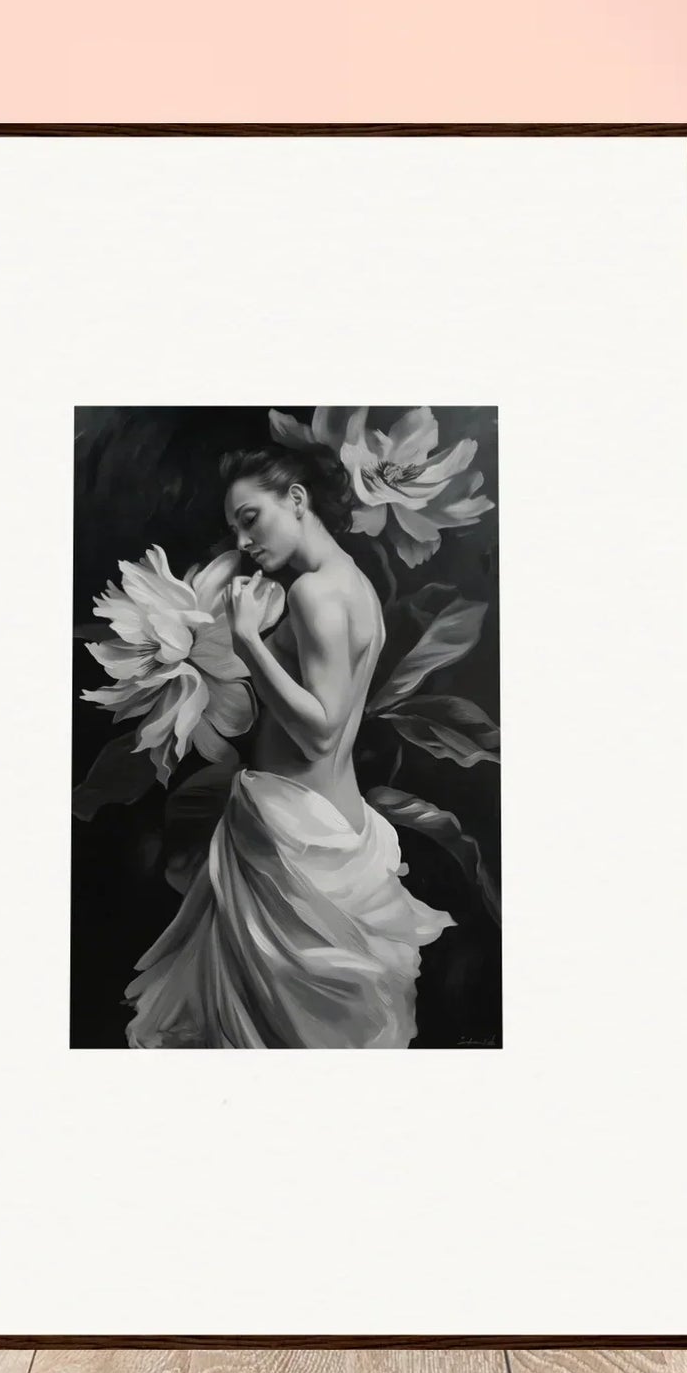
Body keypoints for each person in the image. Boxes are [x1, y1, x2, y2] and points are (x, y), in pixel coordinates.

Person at [122, 442, 454, 1047]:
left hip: (294, 835)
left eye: (251, 519)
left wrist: (248, 641)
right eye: (235, 529)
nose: (244, 541)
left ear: (296, 499)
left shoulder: (314, 593)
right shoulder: (353, 587)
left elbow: (321, 729)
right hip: (333, 824)